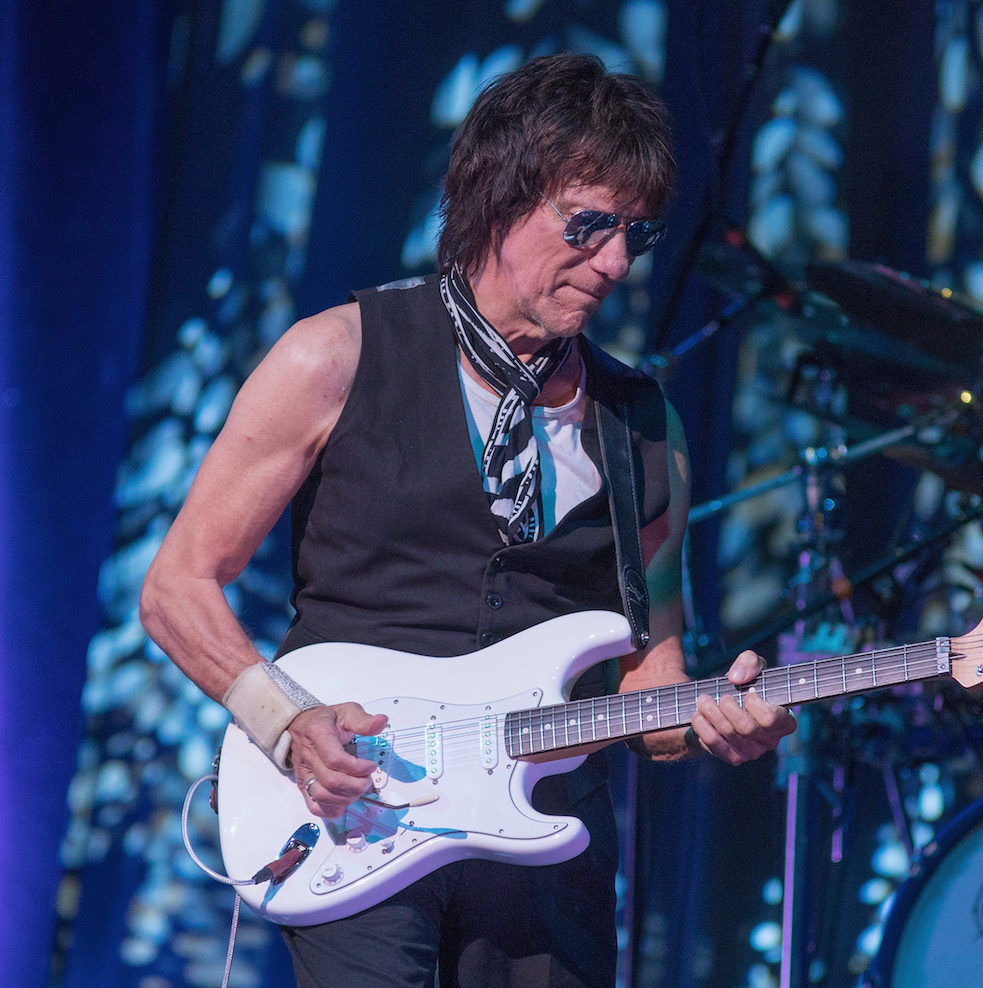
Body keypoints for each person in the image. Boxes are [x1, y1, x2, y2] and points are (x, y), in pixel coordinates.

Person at [140, 52, 795, 987]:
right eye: (589, 224)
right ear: (500, 196)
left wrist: (712, 720)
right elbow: (175, 588)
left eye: (634, 237)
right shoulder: (336, 358)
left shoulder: (647, 430)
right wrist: (286, 723)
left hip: (549, 852)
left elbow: (651, 682)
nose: (614, 262)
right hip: (358, 811)